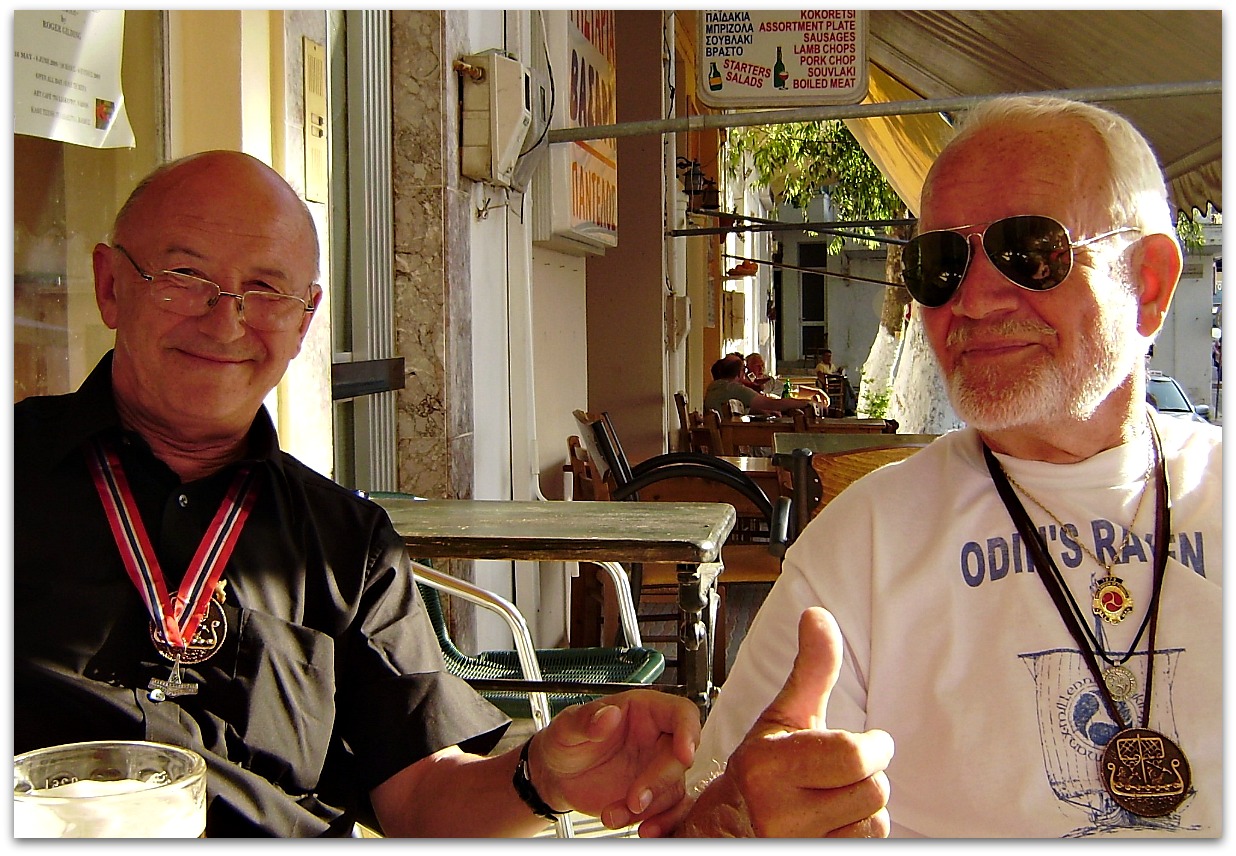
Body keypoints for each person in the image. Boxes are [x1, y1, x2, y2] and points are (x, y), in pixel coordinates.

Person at [13, 151, 700, 838]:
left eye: (265, 289)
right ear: (110, 286)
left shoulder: (348, 545)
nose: (225, 322)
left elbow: (421, 795)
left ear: (304, 319)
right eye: (186, 278)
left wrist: (542, 778)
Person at [662, 95, 1221, 838]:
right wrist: (737, 826)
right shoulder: (862, 545)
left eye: (1031, 250)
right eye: (941, 264)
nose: (976, 300)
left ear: (1147, 283)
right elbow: (722, 808)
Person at [702, 354, 820, 418]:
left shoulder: (715, 387)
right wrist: (807, 403)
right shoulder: (734, 389)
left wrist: (760, 411)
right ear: (740, 373)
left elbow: (747, 408)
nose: (761, 369)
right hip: (733, 442)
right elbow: (773, 404)